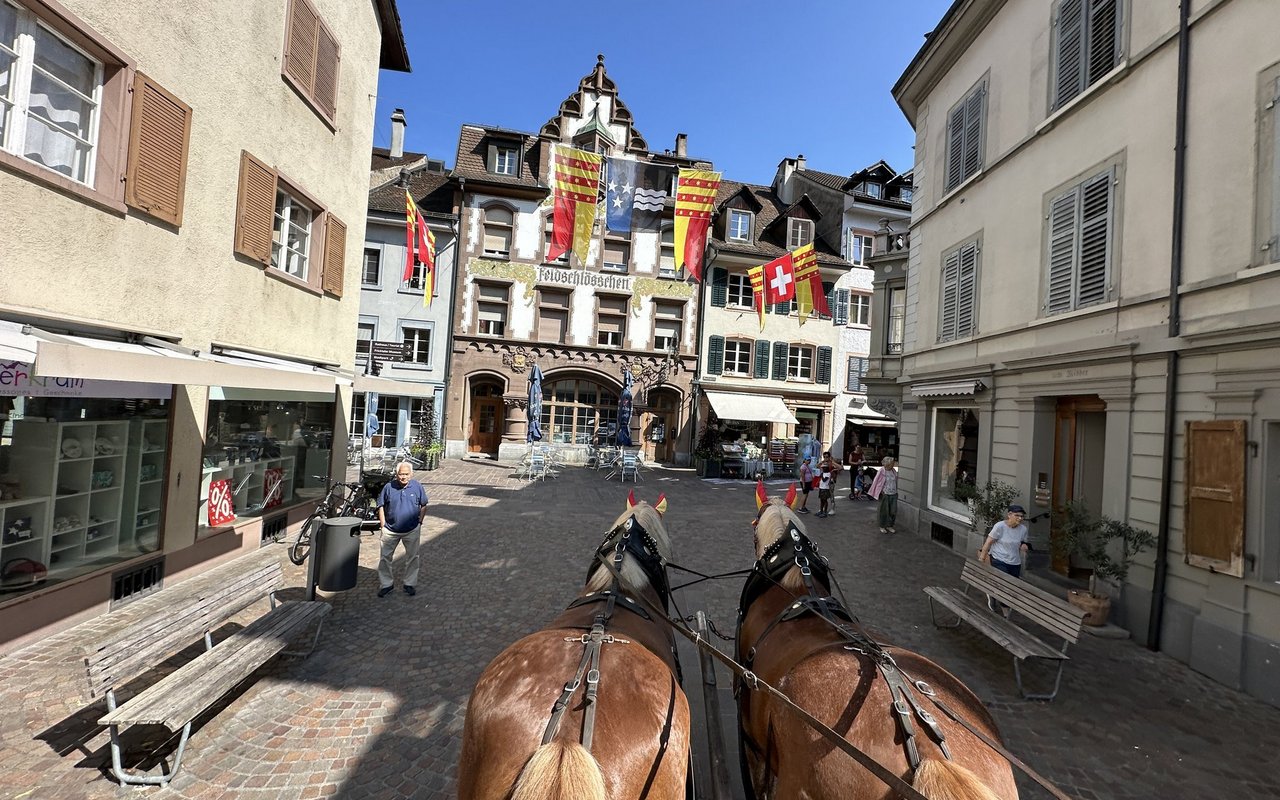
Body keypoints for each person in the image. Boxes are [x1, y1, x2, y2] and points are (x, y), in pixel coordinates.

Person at [376, 461, 429, 597]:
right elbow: (380, 505)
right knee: (385, 558)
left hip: (411, 529)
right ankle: (386, 584)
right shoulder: (389, 487)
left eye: (406, 474)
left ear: (411, 474)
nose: (403, 477)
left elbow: (423, 504)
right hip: (390, 530)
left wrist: (420, 522)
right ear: (396, 474)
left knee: (412, 558)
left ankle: (409, 583)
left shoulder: (417, 486)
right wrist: (383, 524)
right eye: (400, 474)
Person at [978, 504, 1031, 616]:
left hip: (1015, 562)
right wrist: (982, 558)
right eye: (1017, 515)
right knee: (1006, 586)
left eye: (1022, 516)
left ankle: (992, 594)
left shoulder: (1023, 529)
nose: (1020, 518)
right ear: (1009, 515)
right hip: (998, 559)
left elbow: (1022, 542)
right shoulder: (1000, 526)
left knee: (1011, 587)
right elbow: (988, 542)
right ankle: (1006, 614)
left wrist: (1024, 546)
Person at [867, 456, 899, 533]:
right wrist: (879, 491)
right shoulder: (882, 471)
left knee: (893, 511)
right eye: (892, 463)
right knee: (884, 511)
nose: (893, 465)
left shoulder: (893, 470)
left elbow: (895, 481)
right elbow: (876, 481)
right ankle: (882, 526)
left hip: (893, 493)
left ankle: (890, 525)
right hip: (885, 494)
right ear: (887, 464)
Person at [818, 451, 842, 516]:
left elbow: (840, 467)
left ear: (829, 457)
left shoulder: (832, 463)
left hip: (831, 481)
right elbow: (817, 466)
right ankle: (822, 509)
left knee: (831, 495)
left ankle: (832, 509)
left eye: (827, 457)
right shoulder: (823, 463)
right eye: (824, 457)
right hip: (824, 483)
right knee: (823, 496)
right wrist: (822, 462)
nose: (826, 458)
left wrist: (832, 463)